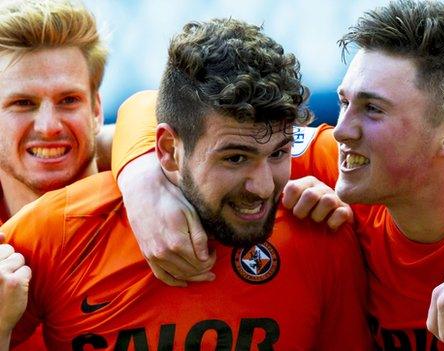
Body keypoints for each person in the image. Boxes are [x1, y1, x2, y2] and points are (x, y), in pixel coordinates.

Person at [111, 1, 444, 350]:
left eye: (373, 109)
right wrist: (142, 180)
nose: (344, 129)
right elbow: (142, 112)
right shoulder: (342, 165)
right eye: (343, 101)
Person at [1, 17, 370, 350]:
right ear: (167, 149)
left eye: (69, 100)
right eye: (235, 158)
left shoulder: (320, 228)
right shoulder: (43, 237)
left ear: (96, 110)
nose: (260, 187)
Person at [0, 0, 113, 349]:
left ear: (96, 110)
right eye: (22, 103)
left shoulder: (154, 187)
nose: (49, 127)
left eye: (68, 101)